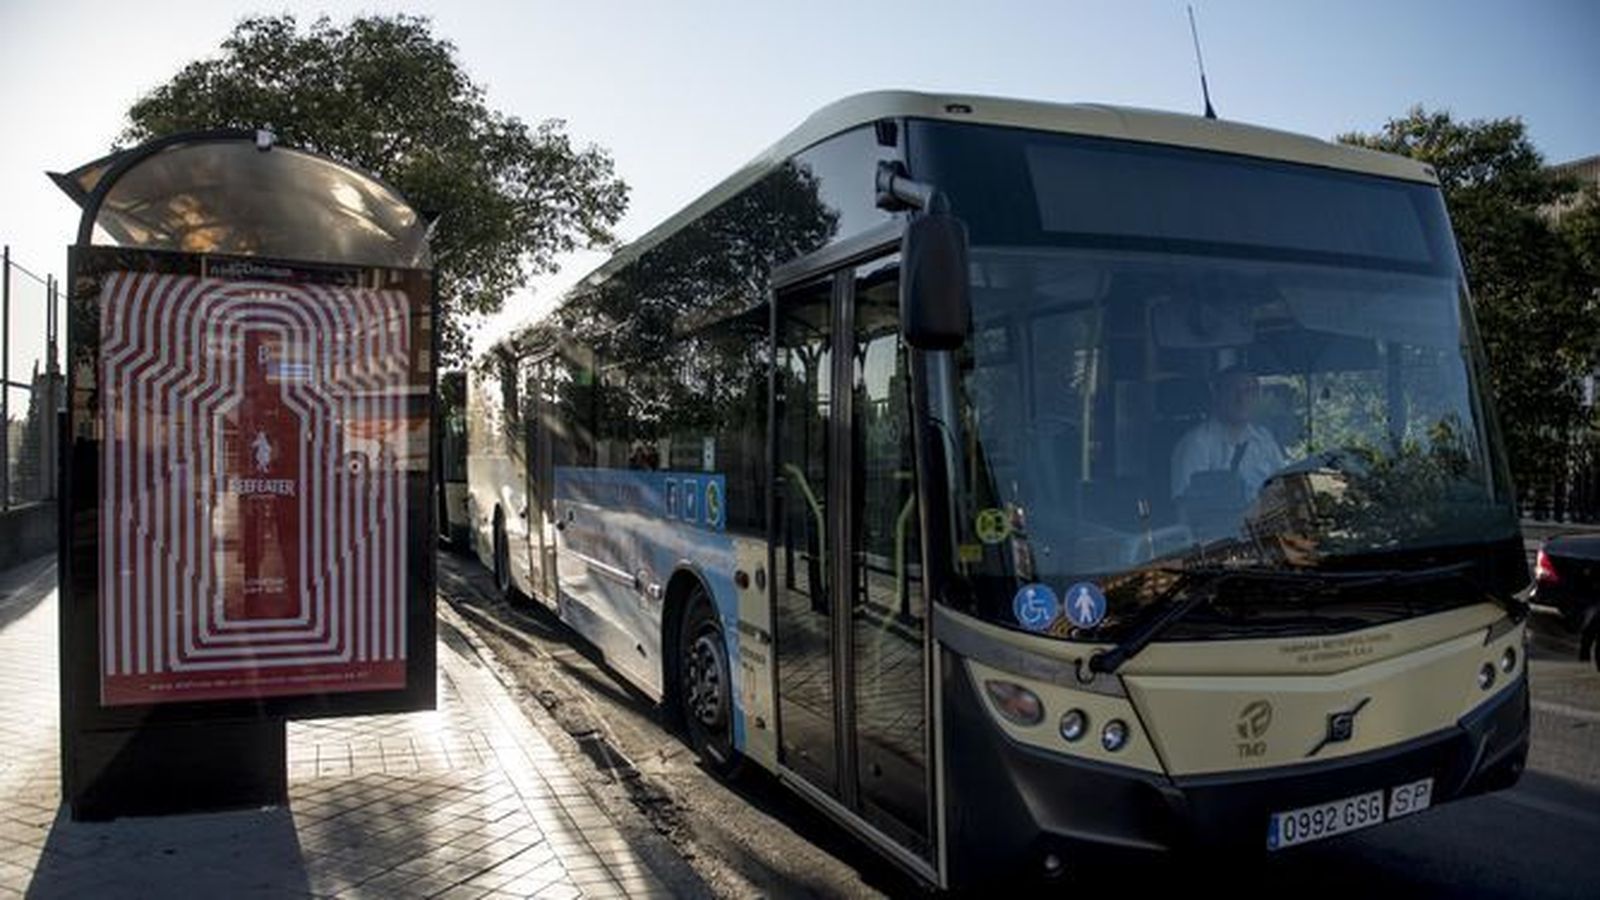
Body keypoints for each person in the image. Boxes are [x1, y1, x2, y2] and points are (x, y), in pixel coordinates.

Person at [1170, 366, 1286, 505]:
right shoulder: (1196, 444)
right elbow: (1184, 506)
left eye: (1248, 391)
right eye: (1233, 390)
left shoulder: (1264, 440)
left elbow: (1286, 486)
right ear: (1218, 394)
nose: (1241, 399)